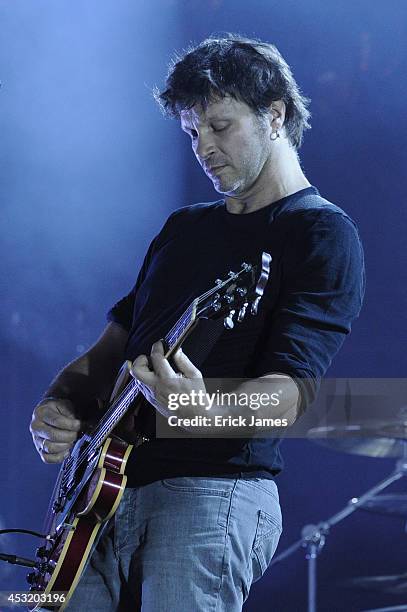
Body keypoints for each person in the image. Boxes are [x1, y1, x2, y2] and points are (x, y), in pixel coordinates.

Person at [30, 35, 365, 611]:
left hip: (210, 494)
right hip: (99, 498)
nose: (203, 147)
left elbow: (289, 397)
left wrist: (199, 407)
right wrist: (60, 403)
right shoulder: (183, 228)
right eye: (191, 133)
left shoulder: (319, 233)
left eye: (219, 125)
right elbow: (114, 347)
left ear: (275, 115)